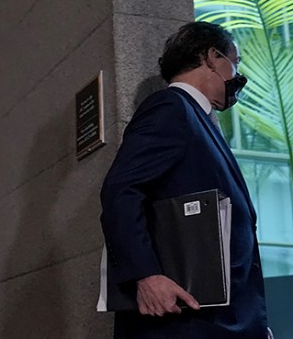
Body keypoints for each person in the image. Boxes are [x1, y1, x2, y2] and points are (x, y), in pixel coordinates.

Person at [100, 21, 269, 338]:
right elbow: (121, 189)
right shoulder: (170, 108)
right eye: (236, 61)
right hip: (184, 320)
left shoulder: (197, 118)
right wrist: (146, 275)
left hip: (220, 319)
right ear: (211, 57)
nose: (237, 75)